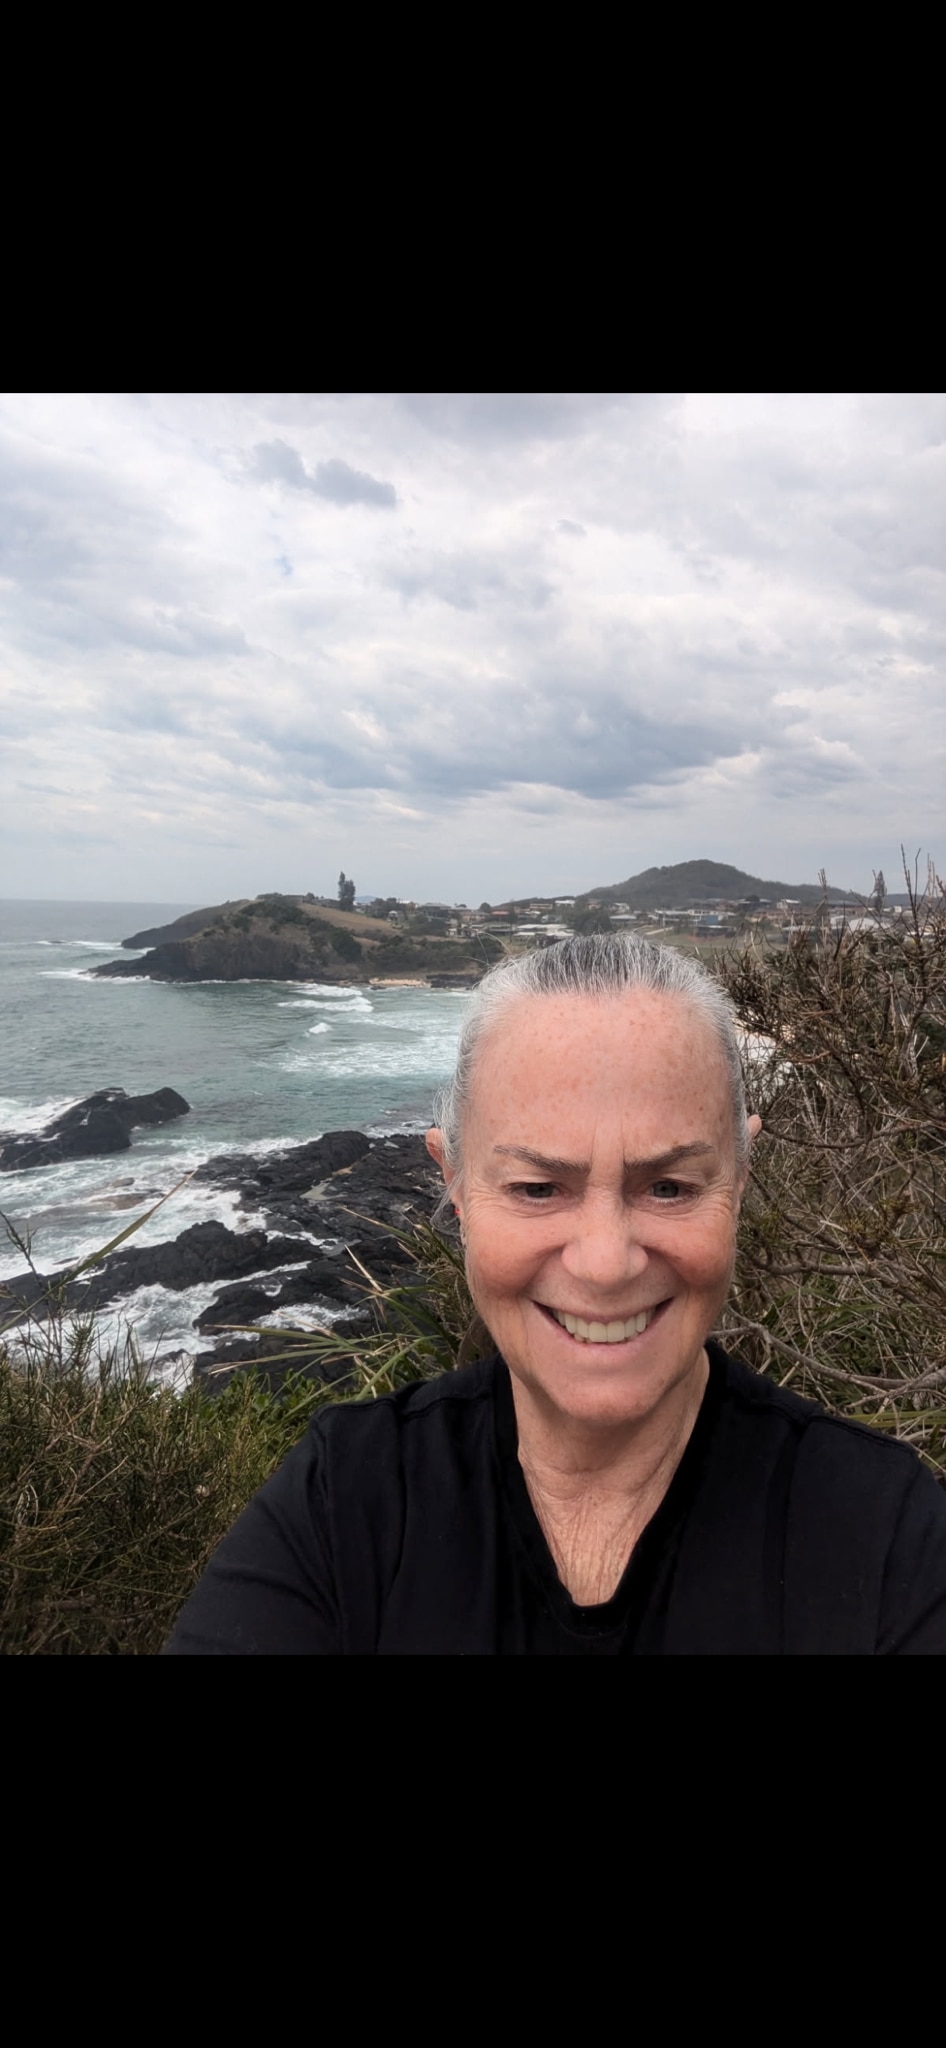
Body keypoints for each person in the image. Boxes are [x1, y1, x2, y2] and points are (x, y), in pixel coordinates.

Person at [163, 934, 946, 1654]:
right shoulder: (349, 1503)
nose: (605, 1263)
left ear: (738, 1181)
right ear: (455, 1184)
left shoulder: (883, 1533)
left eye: (669, 1187)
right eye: (539, 1188)